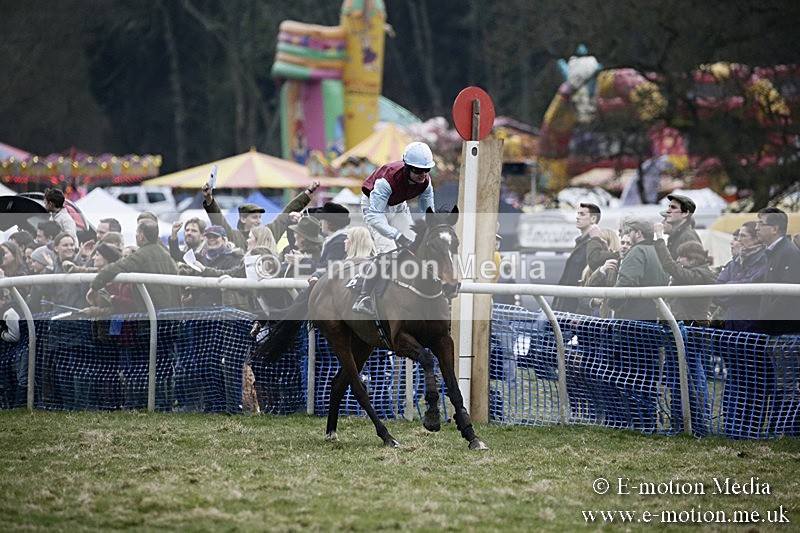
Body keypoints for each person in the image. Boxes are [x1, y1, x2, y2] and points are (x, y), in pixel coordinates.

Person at [87, 220, 181, 311]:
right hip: (172, 313)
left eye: (137, 233)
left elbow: (116, 268)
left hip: (153, 313)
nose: (135, 236)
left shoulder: (141, 254)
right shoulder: (166, 255)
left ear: (141, 236)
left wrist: (94, 286)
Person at [360, 141, 435, 254]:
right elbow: (375, 216)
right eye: (418, 170)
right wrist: (397, 236)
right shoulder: (386, 181)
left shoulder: (426, 183)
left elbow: (428, 214)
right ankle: (364, 272)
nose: (423, 175)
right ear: (407, 168)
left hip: (398, 206)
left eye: (427, 170)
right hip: (374, 208)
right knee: (390, 253)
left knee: (415, 247)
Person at [201, 181, 318, 251]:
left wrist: (308, 193)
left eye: (259, 217)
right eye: (254, 217)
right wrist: (209, 199)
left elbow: (286, 213)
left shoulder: (268, 232)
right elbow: (218, 220)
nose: (258, 221)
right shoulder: (234, 236)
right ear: (242, 219)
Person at [551, 203, 612, 313]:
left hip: (577, 309)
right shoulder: (580, 243)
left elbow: (592, 276)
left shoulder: (594, 245)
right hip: (568, 304)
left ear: (593, 219)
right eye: (578, 213)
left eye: (582, 214)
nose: (577, 217)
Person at [608, 215, 669, 321]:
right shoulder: (656, 251)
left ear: (638, 233)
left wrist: (613, 303)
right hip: (652, 313)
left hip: (634, 315)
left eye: (629, 231)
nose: (627, 234)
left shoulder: (637, 251)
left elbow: (627, 281)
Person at [712, 222, 767, 332]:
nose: (739, 240)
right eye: (738, 236)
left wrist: (729, 289)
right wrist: (737, 291)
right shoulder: (734, 263)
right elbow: (716, 290)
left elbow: (750, 286)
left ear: (756, 238)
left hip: (752, 328)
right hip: (731, 325)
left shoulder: (765, 260)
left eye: (743, 236)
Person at [754, 207, 800, 335]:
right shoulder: (774, 252)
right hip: (776, 331)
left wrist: (766, 318)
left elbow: (789, 295)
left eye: (761, 224)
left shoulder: (789, 253)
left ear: (775, 229)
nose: (756, 228)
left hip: (785, 334)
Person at [179, 225, 244, 308]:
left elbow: (229, 275)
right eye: (209, 237)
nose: (211, 240)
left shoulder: (232, 257)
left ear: (224, 240)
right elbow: (177, 255)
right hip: (203, 307)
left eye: (215, 237)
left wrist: (204, 270)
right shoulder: (202, 257)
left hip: (224, 309)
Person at [662, 194, 701, 260]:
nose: (668, 211)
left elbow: (694, 267)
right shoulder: (676, 235)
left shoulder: (688, 236)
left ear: (685, 213)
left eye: (673, 207)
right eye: (669, 207)